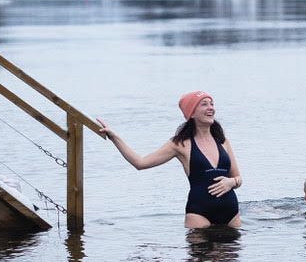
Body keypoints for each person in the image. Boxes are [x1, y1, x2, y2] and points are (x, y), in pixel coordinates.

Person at [96, 91, 242, 228]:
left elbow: (238, 178)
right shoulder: (180, 144)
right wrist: (114, 137)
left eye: (212, 104)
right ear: (191, 113)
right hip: (200, 214)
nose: (211, 108)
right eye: (204, 104)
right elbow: (140, 163)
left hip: (231, 215)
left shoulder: (223, 141)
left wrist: (231, 182)